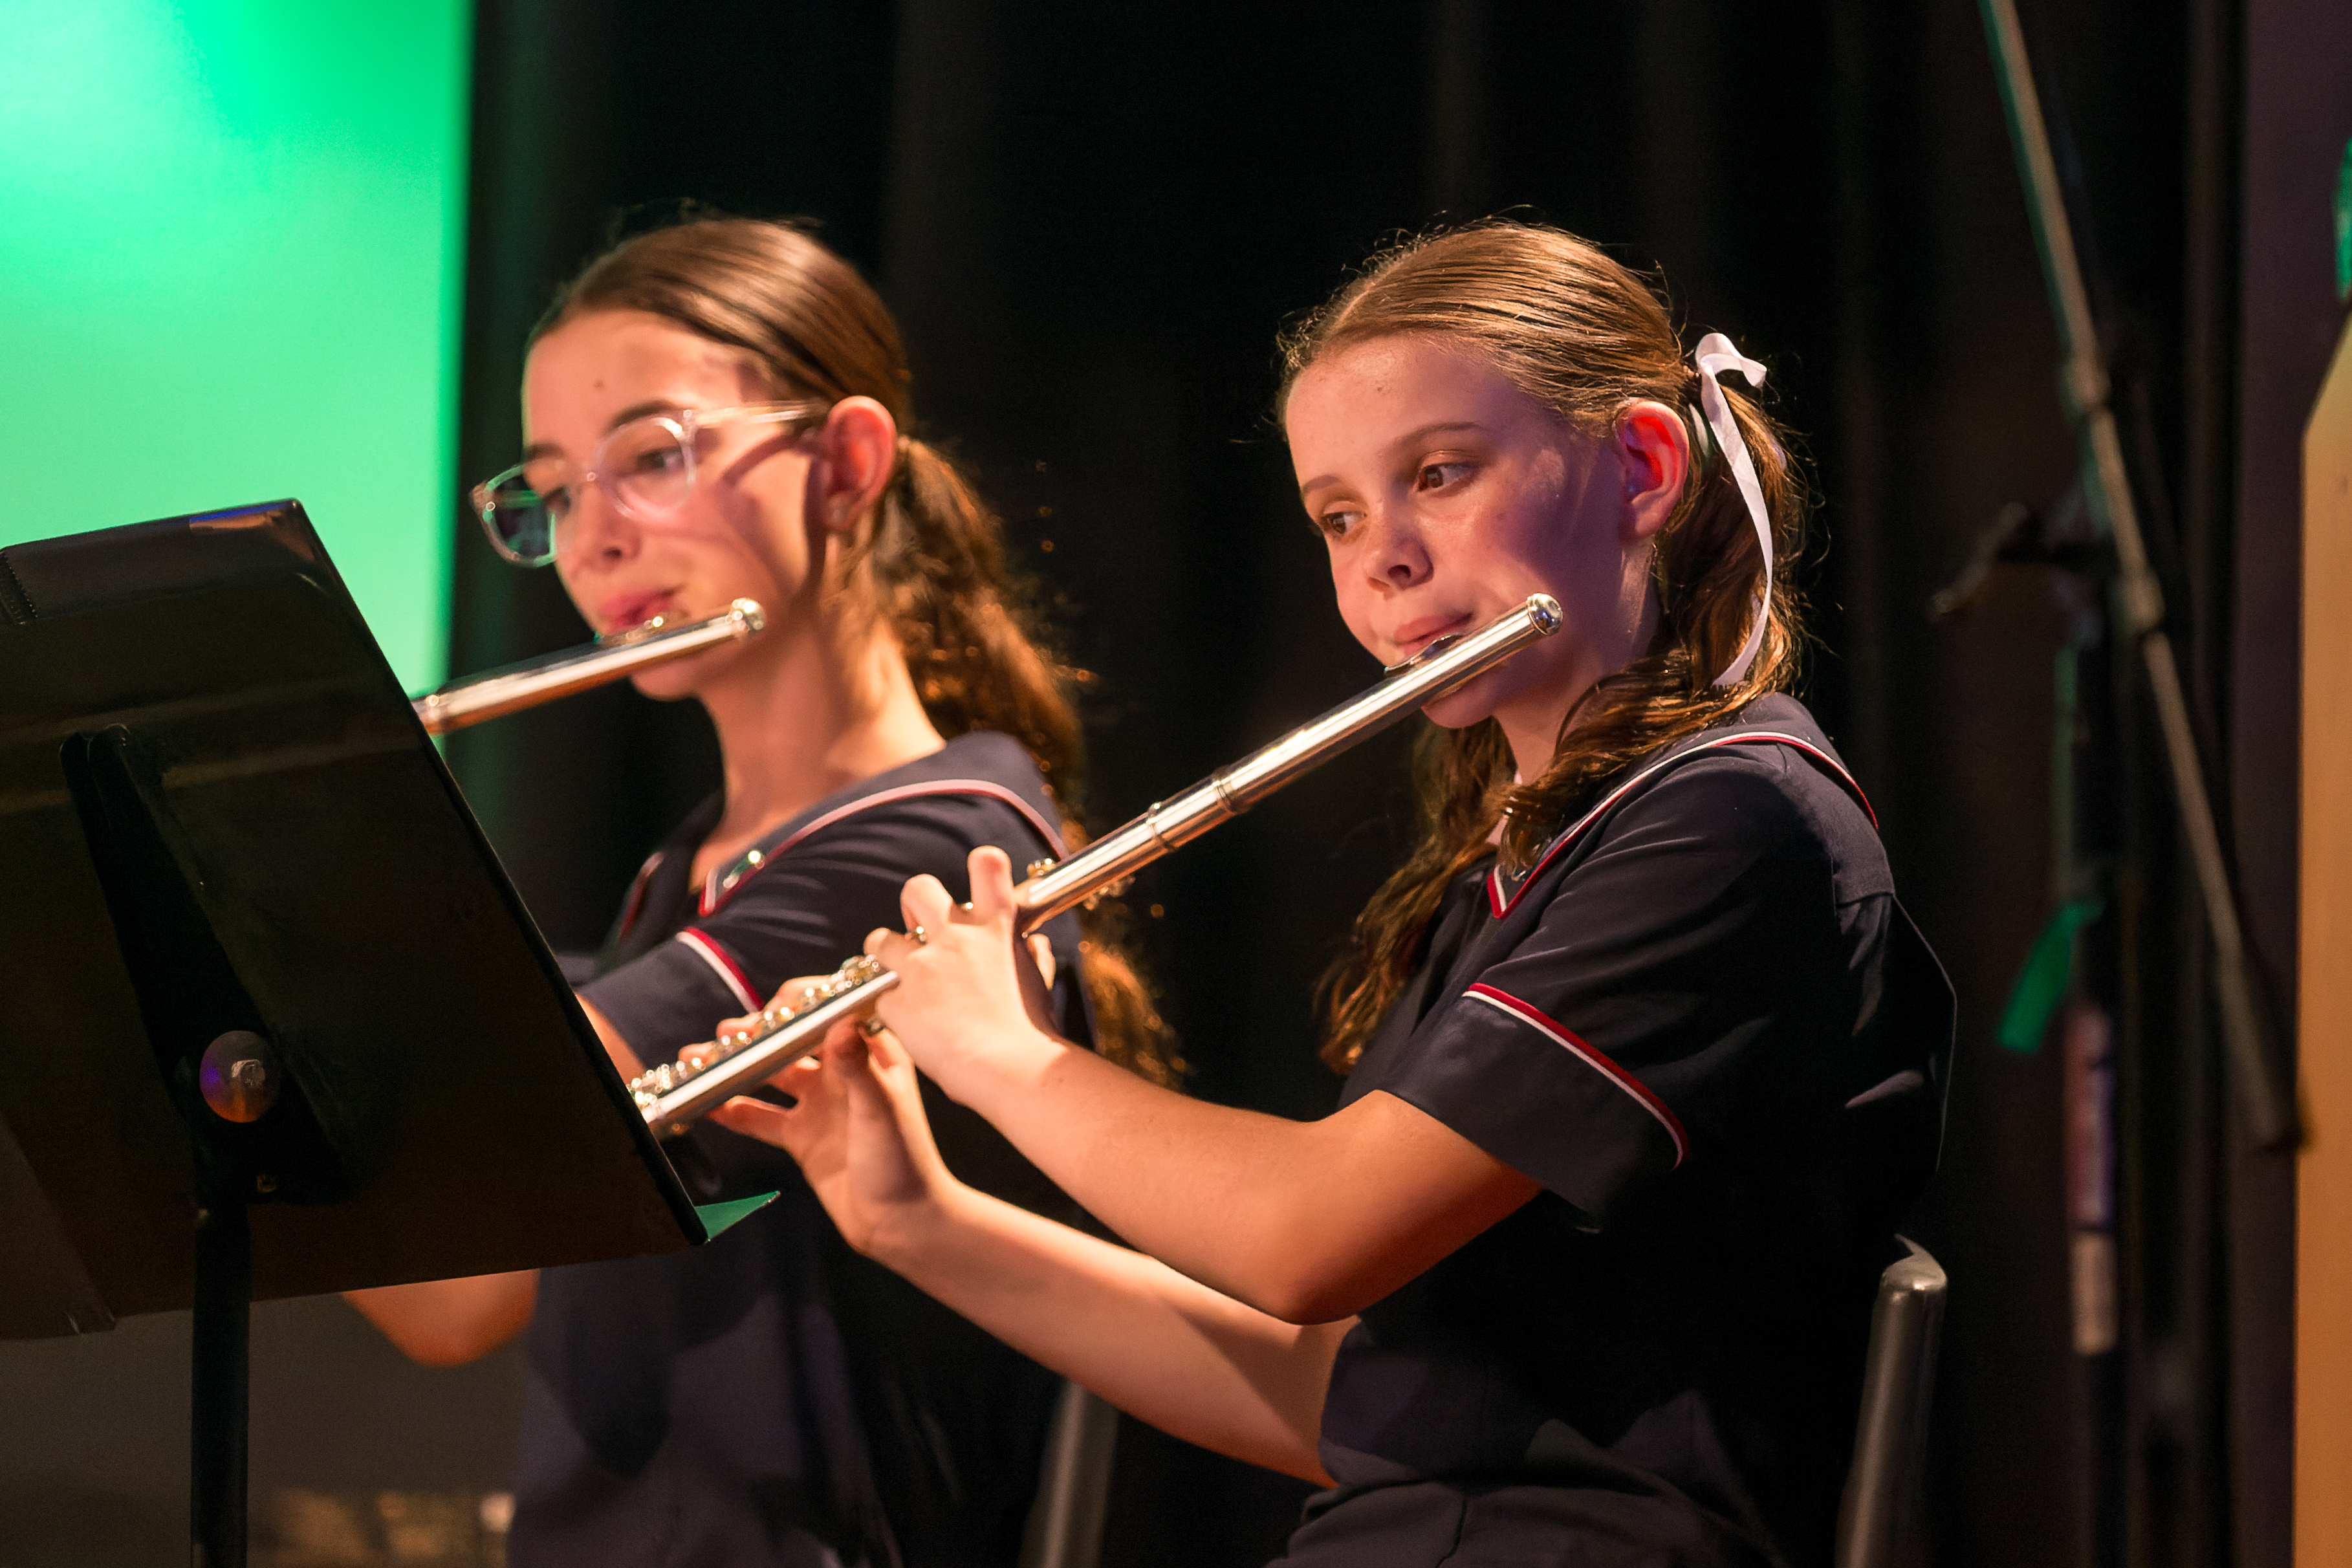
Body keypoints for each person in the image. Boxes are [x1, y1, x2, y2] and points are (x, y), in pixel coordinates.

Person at [712, 221, 1954, 1568]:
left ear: (1644, 468)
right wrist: (916, 1220)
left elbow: (1307, 1240)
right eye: (1340, 515)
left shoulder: (1733, 822)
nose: (1385, 558)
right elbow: (1346, 1397)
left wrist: (1007, 1057)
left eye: (1441, 473)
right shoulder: (1518, 864)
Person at [345, 215, 1173, 1568]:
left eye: (654, 458)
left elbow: (482, 1208)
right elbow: (459, 1304)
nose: (593, 540)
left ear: (844, 465)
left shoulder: (927, 846)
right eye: (554, 492)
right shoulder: (688, 870)